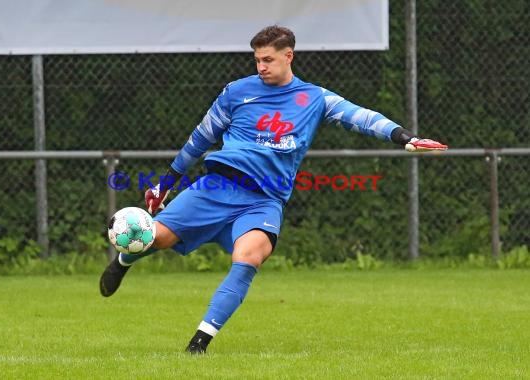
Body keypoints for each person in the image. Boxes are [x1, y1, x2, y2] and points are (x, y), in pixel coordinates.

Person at [99, 25, 447, 354]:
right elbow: (201, 137)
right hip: (216, 187)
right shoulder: (237, 92)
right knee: (156, 239)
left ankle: (198, 344)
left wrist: (405, 137)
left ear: (288, 56)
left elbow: (362, 117)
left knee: (249, 258)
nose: (261, 67)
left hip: (264, 201)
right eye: (257, 60)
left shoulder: (314, 98)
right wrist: (167, 182)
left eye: (268, 59)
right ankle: (125, 259)